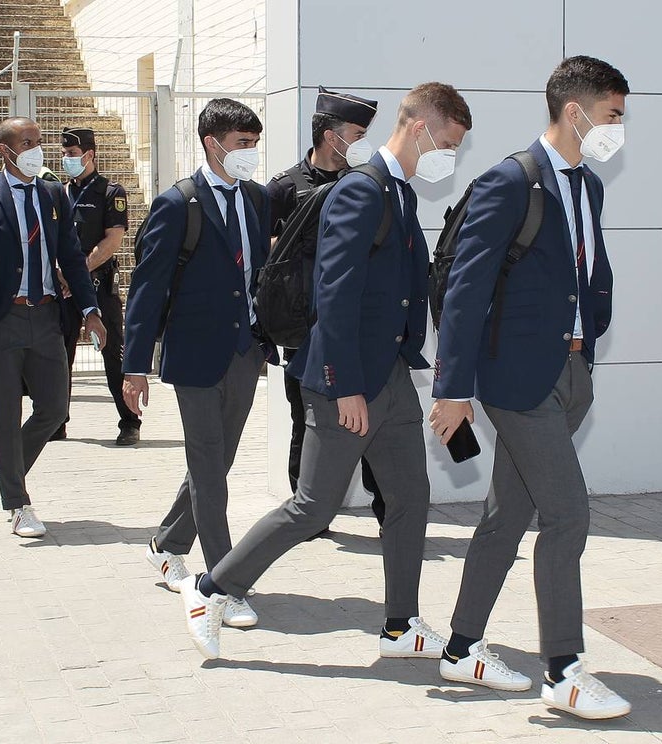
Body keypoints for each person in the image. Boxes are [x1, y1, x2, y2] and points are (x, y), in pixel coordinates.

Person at [178, 84, 472, 660]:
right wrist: (344, 385)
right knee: (313, 506)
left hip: (389, 375)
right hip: (348, 379)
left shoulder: (397, 191)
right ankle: (211, 589)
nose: (451, 156)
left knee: (410, 497)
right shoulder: (362, 191)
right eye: (449, 143)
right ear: (420, 129)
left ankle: (401, 625)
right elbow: (333, 293)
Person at [429, 56, 631, 720]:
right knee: (568, 514)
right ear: (575, 112)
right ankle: (564, 671)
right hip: (517, 383)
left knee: (507, 516)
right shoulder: (511, 181)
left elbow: (589, 275)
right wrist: (453, 388)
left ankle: (461, 648)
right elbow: (466, 292)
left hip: (568, 374)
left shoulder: (588, 185)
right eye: (612, 116)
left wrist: (586, 348)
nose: (618, 129)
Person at [123, 98, 274, 628]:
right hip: (194, 356)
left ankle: (167, 544)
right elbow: (147, 289)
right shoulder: (177, 204)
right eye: (241, 144)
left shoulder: (256, 198)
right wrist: (134, 365)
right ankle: (223, 585)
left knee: (216, 462)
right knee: (210, 469)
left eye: (254, 144)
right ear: (212, 144)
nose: (250, 154)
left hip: (244, 353)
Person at [0, 116, 107, 538]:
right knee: (6, 412)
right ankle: (18, 504)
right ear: (5, 151)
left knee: (54, 408)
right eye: (27, 143)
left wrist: (91, 309)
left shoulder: (53, 194)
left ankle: (8, 461)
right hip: (0, 321)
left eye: (39, 142)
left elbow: (71, 257)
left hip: (46, 316)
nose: (36, 150)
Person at [266, 87, 388, 528]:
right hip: (304, 328)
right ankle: (309, 513)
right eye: (357, 134)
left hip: (355, 324)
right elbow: (264, 254)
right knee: (308, 421)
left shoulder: (366, 183)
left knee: (374, 419)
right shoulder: (284, 187)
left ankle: (387, 509)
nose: (363, 143)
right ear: (330, 136)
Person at [54, 126, 139, 446]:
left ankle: (129, 421)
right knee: (60, 356)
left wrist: (75, 272)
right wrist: (61, 274)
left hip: (98, 284)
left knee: (113, 353)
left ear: (89, 155)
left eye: (72, 154)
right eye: (64, 154)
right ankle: (57, 421)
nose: (66, 159)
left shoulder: (110, 192)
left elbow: (112, 241)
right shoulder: (59, 193)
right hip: (63, 287)